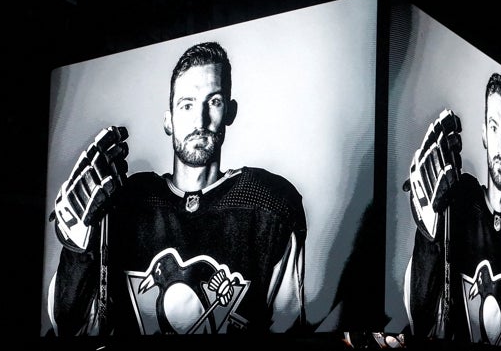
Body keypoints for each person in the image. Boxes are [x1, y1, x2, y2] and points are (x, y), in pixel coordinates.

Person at [48, 40, 308, 335]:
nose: (199, 120)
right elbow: (70, 327)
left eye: (214, 102)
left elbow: (288, 336)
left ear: (230, 112)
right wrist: (76, 249)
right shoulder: (127, 202)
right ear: (168, 120)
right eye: (186, 105)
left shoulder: (268, 204)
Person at [402, 72, 501, 349]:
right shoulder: (462, 200)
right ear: (483, 135)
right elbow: (418, 313)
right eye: (494, 128)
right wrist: (427, 234)